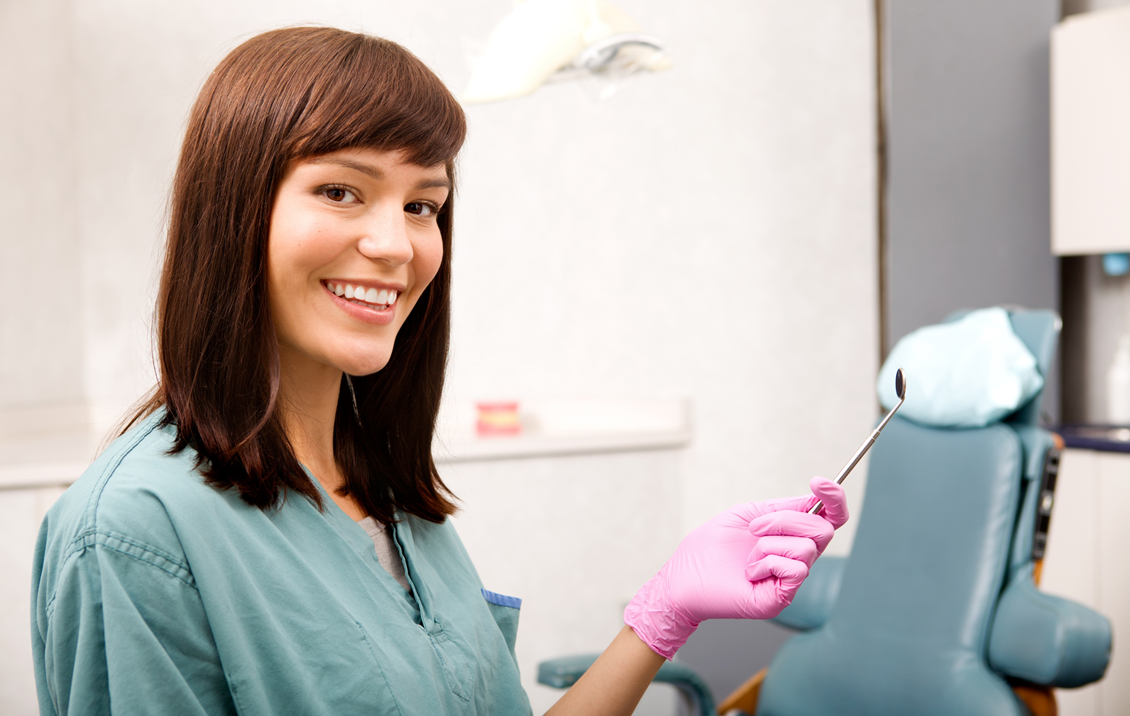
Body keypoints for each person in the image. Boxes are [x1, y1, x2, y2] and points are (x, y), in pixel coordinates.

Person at [30, 27, 849, 716]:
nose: (396, 245)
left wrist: (664, 612)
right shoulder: (134, 536)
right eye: (343, 190)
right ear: (234, 210)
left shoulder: (381, 488)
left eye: (422, 204)